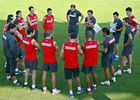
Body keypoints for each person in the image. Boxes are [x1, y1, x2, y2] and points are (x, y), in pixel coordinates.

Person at [60, 33, 84, 98]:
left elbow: (60, 55)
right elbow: (81, 53)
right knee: (77, 76)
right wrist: (78, 44)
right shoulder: (77, 46)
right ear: (76, 39)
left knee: (69, 79)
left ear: (70, 38)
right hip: (75, 65)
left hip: (67, 65)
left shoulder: (64, 45)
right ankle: (79, 89)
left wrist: (65, 59)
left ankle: (71, 93)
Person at [41, 29, 61, 95]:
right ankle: (53, 90)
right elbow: (57, 50)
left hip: (45, 60)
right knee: (53, 75)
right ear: (51, 34)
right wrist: (56, 47)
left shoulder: (42, 41)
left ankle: (44, 89)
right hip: (52, 61)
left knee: (44, 74)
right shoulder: (53, 42)